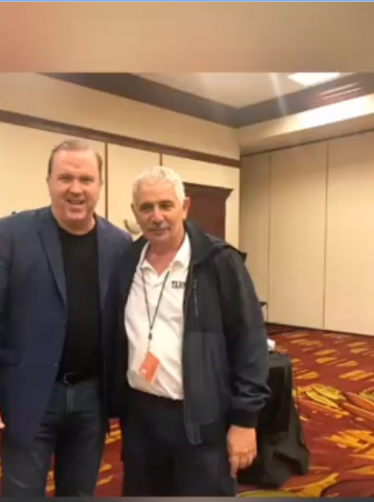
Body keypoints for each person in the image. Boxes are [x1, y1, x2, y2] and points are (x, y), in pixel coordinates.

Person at [0, 139, 132, 497]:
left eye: (86, 179)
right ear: (49, 182)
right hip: (28, 394)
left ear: (99, 185)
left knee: (79, 493)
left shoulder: (119, 243)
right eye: (65, 178)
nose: (76, 189)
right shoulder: (12, 233)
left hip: (91, 399)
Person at [114, 166, 270, 496]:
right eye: (146, 207)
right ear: (135, 213)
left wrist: (245, 420)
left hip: (200, 418)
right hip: (140, 417)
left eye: (166, 205)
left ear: (184, 207)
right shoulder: (127, 262)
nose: (157, 216)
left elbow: (250, 343)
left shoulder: (219, 262)